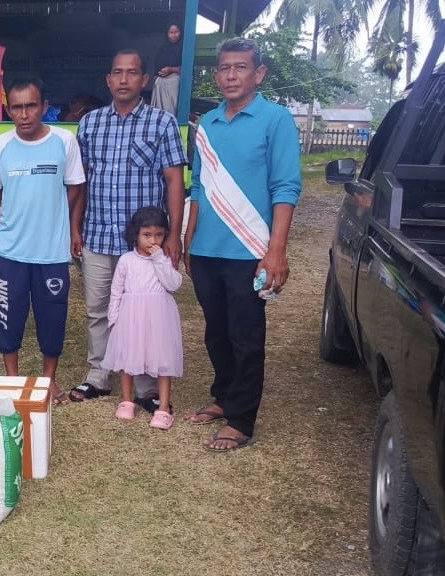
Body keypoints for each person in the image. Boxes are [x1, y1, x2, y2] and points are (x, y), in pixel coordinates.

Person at [184, 37, 301, 452]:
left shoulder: (275, 120)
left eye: (240, 67)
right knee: (215, 331)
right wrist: (188, 237)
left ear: (259, 73)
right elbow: (197, 187)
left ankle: (242, 418)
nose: (230, 75)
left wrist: (277, 251)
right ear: (216, 75)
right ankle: (224, 395)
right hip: (206, 248)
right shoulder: (207, 125)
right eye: (224, 68)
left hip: (251, 249)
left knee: (245, 334)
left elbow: (286, 187)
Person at [71, 48, 187, 412]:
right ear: (108, 80)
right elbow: (81, 182)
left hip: (144, 245)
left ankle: (146, 385)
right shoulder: (90, 124)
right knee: (98, 309)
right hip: (99, 235)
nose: (123, 79)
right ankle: (98, 376)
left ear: (144, 80)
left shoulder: (161, 123)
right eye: (117, 72)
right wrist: (75, 228)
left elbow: (174, 181)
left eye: (131, 73)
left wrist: (173, 235)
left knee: (146, 311)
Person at [0, 77, 85, 405]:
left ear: (44, 106)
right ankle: (13, 381)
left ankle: (48, 381)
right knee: (8, 317)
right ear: (9, 109)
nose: (24, 114)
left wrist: (58, 219)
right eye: (17, 107)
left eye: (31, 106)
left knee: (52, 319)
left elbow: (76, 186)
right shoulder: (0, 146)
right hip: (9, 251)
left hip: (50, 253)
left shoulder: (65, 142)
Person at [101, 207, 183, 429]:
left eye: (158, 235)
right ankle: (127, 401)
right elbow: (116, 290)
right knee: (128, 359)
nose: (153, 241)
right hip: (131, 317)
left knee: (162, 360)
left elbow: (173, 284)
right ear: (136, 235)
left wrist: (159, 259)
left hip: (159, 317)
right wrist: (114, 318)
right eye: (147, 235)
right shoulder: (127, 260)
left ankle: (163, 408)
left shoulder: (163, 259)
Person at [151, 23, 183, 115]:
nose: (173, 35)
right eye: (171, 32)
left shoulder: (183, 48)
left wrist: (171, 70)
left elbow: (187, 70)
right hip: (160, 87)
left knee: (170, 113)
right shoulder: (163, 48)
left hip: (173, 87)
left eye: (176, 32)